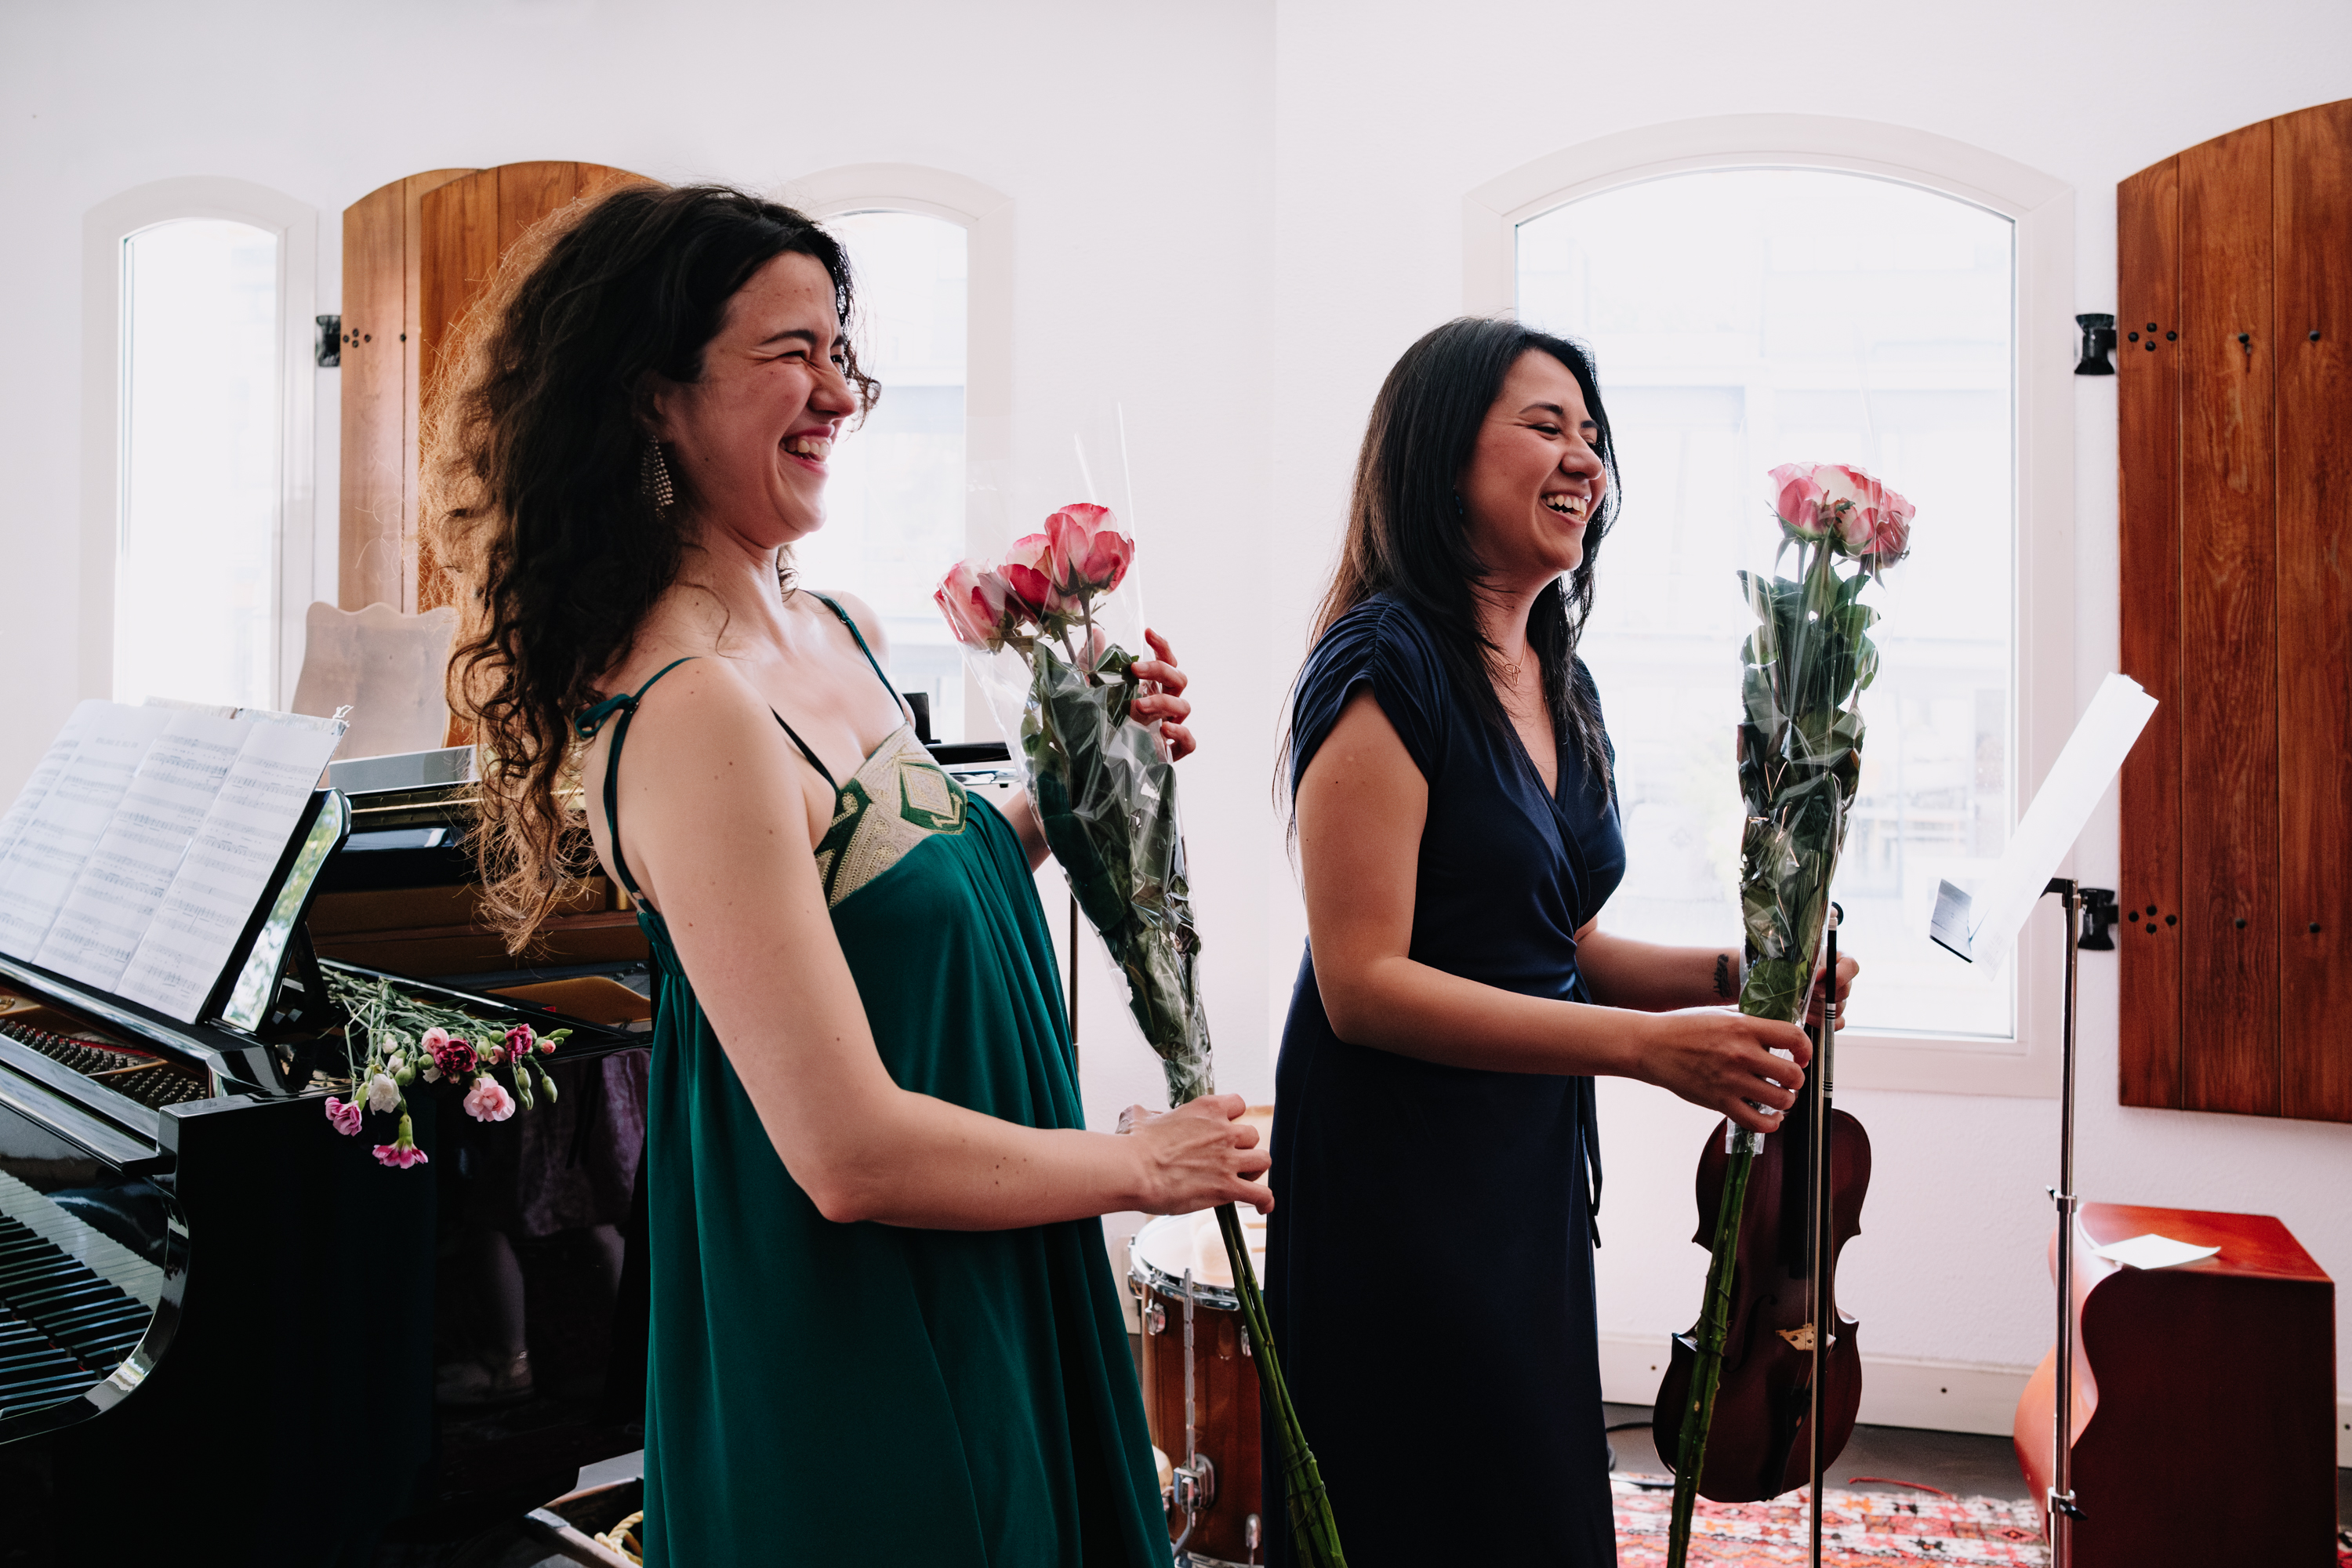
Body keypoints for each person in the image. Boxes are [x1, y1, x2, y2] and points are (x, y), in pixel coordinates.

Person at [428, 182, 1269, 1567]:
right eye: (790, 354)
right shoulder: (688, 709)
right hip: (873, 1336)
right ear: (652, 398)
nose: (837, 395)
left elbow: (917, 898)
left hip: (993, 1266)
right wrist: (1137, 1167)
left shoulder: (832, 623)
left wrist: (1082, 775)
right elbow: (847, 1154)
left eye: (841, 355)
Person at [1265, 317, 1857, 1565]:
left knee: (1529, 1503)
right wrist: (1646, 1050)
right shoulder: (1383, 663)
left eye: (1593, 434)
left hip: (1520, 1165)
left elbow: (1559, 939)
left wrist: (1746, 977)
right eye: (1545, 426)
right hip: (1396, 1176)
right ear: (1440, 458)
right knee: (1422, 1509)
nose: (1585, 457)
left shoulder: (1556, 673)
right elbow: (1363, 984)